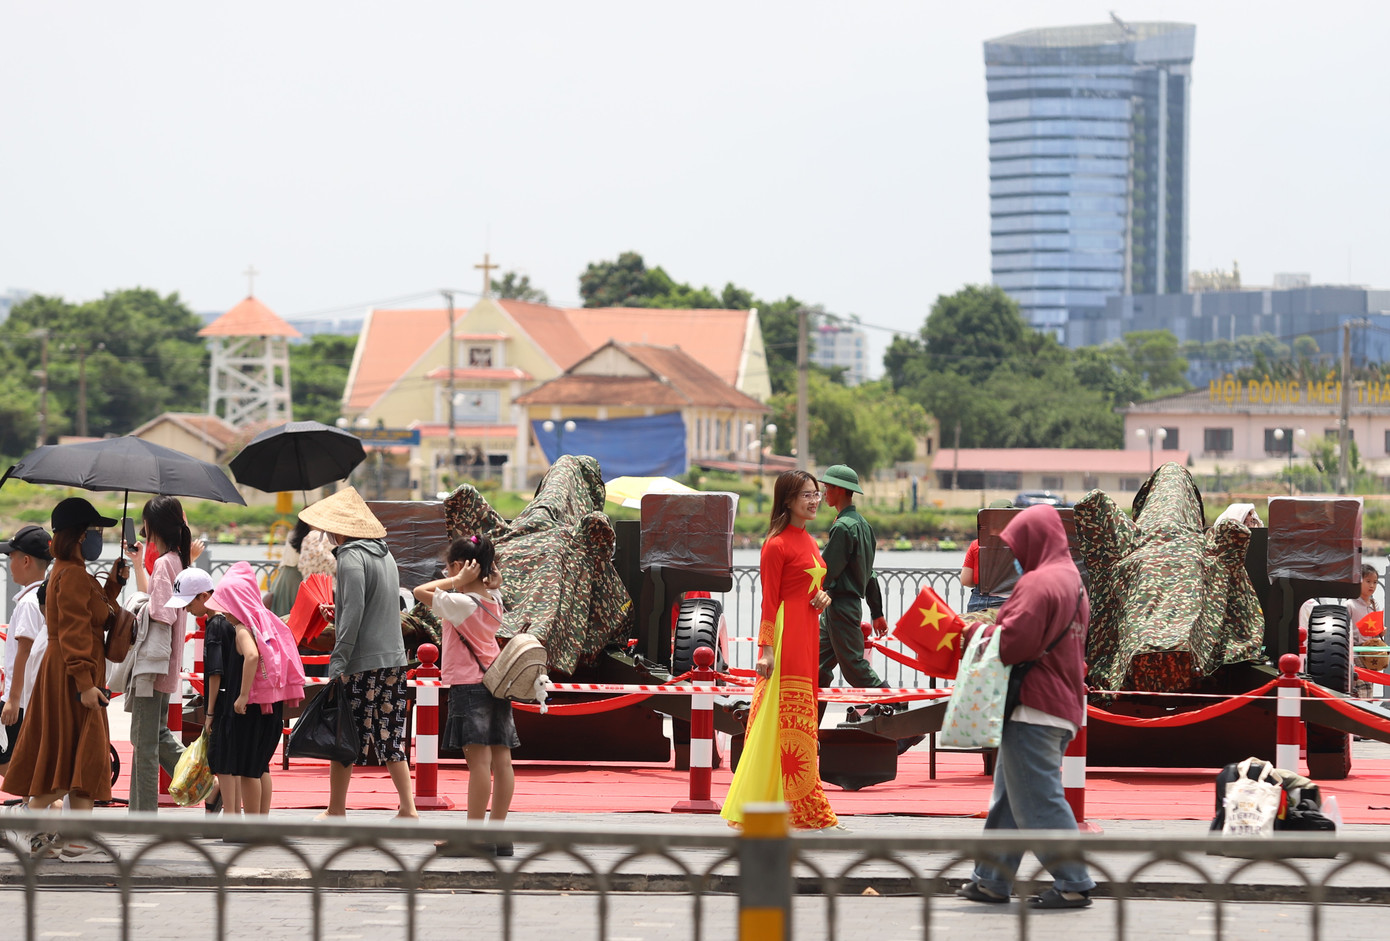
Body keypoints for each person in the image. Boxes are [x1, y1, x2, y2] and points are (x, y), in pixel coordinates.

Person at [957, 504, 1096, 910]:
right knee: (1011, 795)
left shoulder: (1038, 583)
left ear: (1034, 542)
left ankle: (1073, 880)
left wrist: (975, 633)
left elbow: (1014, 643)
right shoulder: (1071, 580)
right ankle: (991, 879)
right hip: (1058, 703)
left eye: (1018, 546)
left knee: (1037, 798)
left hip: (1034, 705)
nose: (1014, 556)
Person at [1, 498, 120, 862]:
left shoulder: (71, 573)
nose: (98, 537)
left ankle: (72, 839)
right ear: (80, 536)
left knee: (78, 754)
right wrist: (85, 684)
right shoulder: (69, 575)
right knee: (78, 754)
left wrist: (114, 585)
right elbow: (73, 633)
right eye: (94, 532)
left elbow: (93, 614)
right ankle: (34, 820)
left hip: (72, 673)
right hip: (73, 676)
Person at [721, 470, 838, 831]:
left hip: (807, 630)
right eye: (806, 495)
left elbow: (811, 589)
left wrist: (822, 599)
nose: (814, 500)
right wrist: (766, 649)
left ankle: (789, 802)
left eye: (816, 494)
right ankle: (797, 805)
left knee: (797, 715)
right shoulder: (776, 545)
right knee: (778, 717)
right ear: (787, 500)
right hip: (786, 633)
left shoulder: (810, 541)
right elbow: (769, 602)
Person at [299, 486, 417, 820]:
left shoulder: (351, 556)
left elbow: (352, 616)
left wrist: (339, 661)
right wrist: (339, 613)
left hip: (362, 662)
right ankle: (408, 807)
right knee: (390, 732)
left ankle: (336, 808)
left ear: (338, 528)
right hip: (393, 658)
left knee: (345, 732)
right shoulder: (385, 554)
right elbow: (374, 608)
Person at [414, 534, 518, 857]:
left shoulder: (459, 602)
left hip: (469, 686)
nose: (447, 575)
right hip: (495, 682)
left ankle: (473, 838)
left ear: (460, 566)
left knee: (479, 764)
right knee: (502, 760)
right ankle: (497, 833)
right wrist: (491, 583)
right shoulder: (493, 600)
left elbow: (419, 593)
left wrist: (457, 581)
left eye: (449, 568)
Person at [126, 495, 193, 813]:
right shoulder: (178, 560)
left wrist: (140, 604)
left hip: (153, 664)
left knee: (145, 742)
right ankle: (204, 780)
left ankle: (143, 816)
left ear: (152, 526)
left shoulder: (167, 563)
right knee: (153, 736)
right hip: (166, 664)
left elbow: (162, 613)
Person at [1, 526, 53, 783]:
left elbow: (23, 652)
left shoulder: (28, 603)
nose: (9, 564)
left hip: (20, 700)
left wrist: (12, 699)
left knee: (17, 768)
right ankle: (39, 804)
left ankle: (42, 805)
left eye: (11, 557)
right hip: (27, 698)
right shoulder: (41, 596)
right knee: (21, 765)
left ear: (25, 560)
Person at [960, 500, 1015, 614]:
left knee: (978, 632)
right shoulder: (1022, 545)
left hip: (981, 603)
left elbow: (965, 580)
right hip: (1012, 604)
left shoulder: (977, 545)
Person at [265, 520, 312, 618]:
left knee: (283, 609)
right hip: (299, 574)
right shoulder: (311, 537)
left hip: (285, 573)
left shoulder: (293, 534)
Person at [1347, 564, 1380, 701]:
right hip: (1356, 652)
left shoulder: (1374, 604)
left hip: (1370, 652)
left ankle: (1368, 712)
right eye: (1368, 581)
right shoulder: (1350, 604)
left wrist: (1381, 631)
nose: (1372, 585)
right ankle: (1360, 713)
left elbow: (1376, 630)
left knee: (1369, 687)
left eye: (1375, 582)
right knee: (1359, 687)